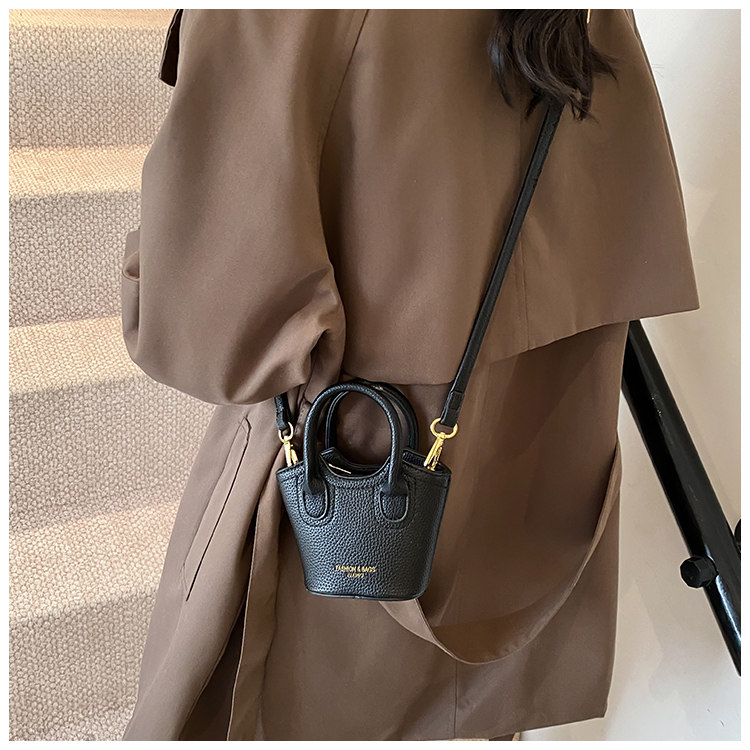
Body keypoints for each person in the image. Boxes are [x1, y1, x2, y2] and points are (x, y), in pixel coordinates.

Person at [120, 9, 700, 741]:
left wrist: (148, 257)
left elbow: (210, 333)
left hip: (336, 529)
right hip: (514, 518)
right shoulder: (592, 16)